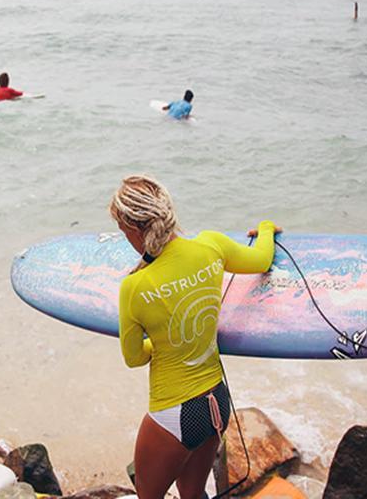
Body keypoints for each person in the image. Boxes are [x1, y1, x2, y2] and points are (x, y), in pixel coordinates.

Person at [110, 175, 278, 499]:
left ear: (131, 229)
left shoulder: (133, 287)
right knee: (193, 493)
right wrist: (267, 228)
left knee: (149, 495)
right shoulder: (210, 245)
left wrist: (159, 342)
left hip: (174, 413)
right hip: (217, 402)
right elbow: (261, 260)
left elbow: (133, 358)